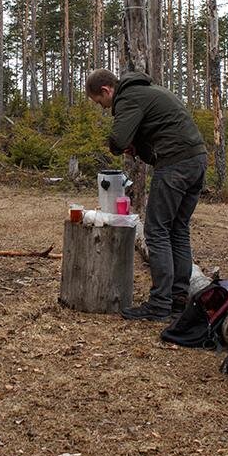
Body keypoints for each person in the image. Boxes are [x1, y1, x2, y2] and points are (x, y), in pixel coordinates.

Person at [86, 68, 210, 321]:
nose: (103, 108)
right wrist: (140, 148)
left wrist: (122, 145)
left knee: (156, 230)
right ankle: (178, 299)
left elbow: (118, 140)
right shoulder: (149, 91)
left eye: (100, 102)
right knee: (177, 229)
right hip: (197, 159)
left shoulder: (128, 98)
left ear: (106, 90)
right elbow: (154, 133)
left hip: (176, 163)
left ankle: (159, 304)